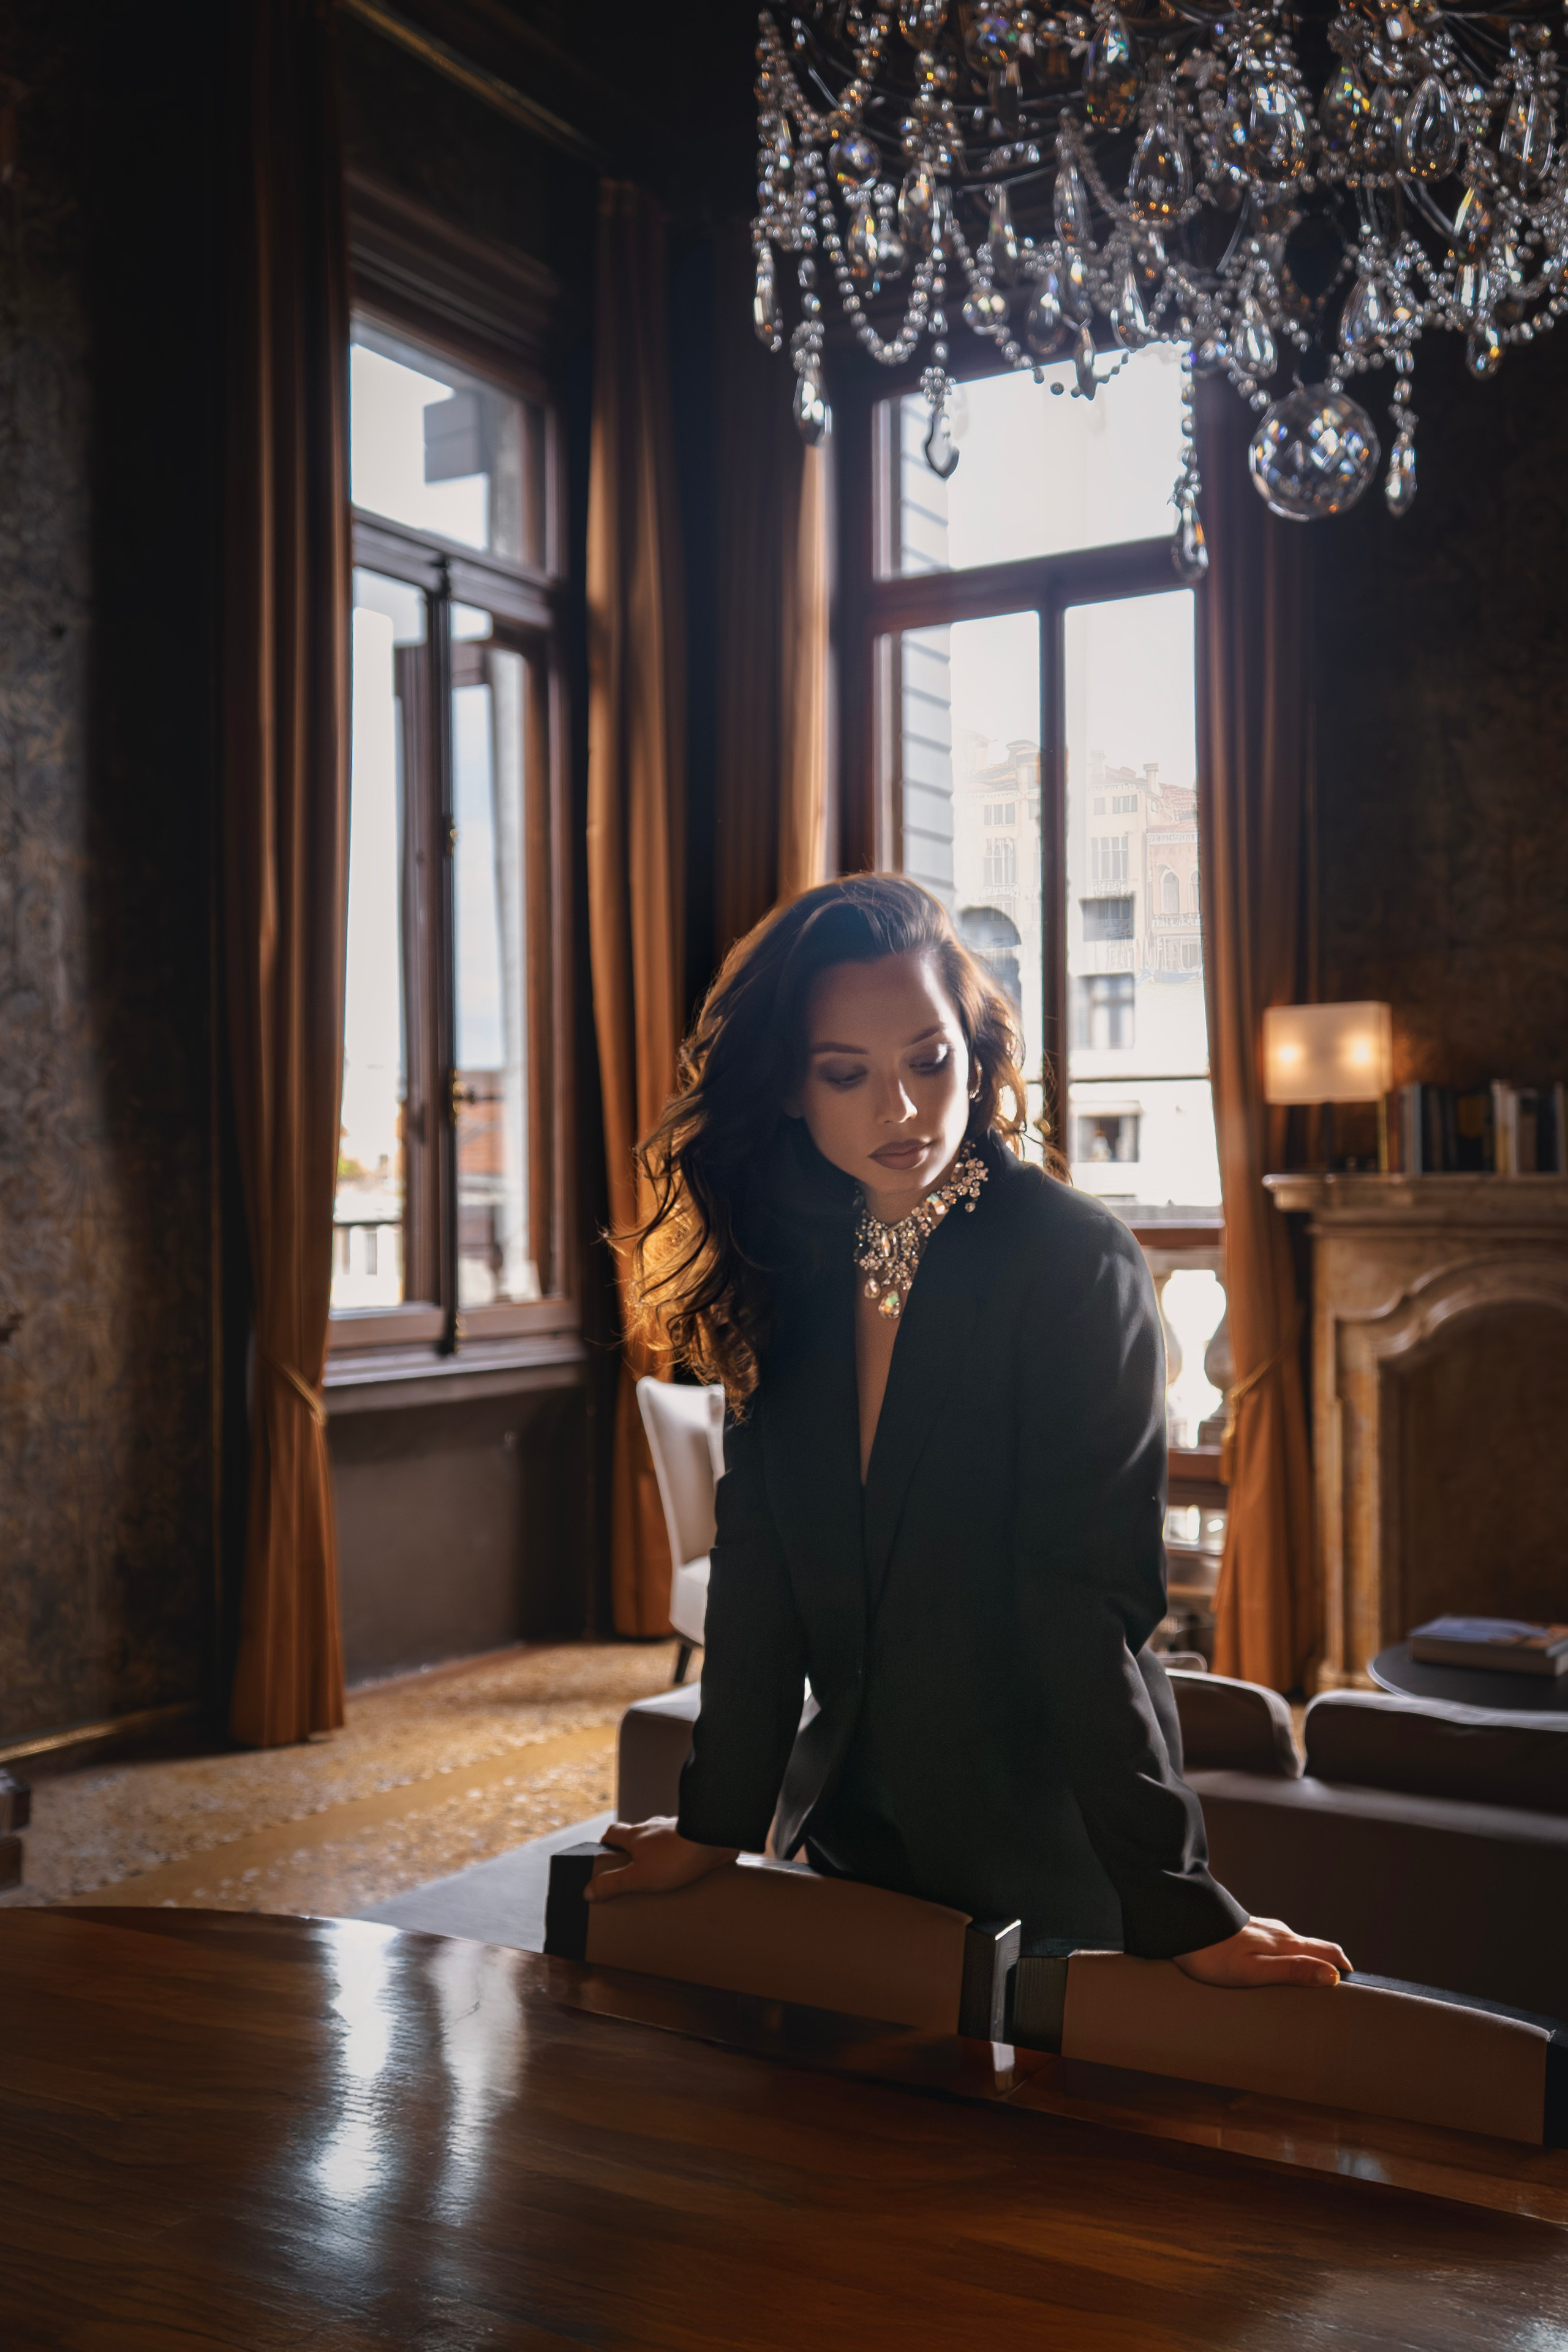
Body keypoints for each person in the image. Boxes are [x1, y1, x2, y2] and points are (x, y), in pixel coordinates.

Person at [590, 876, 1348, 1989]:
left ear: (978, 1055)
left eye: (928, 1059)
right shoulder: (787, 1267)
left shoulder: (1072, 1260)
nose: (898, 1109)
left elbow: (1084, 1607)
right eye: (845, 1073)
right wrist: (714, 1827)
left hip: (1051, 1848)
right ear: (792, 1093)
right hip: (853, 1839)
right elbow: (758, 1581)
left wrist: (1179, 1903)